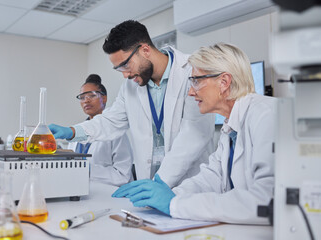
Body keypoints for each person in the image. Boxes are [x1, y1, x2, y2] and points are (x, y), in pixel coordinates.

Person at [112, 43, 276, 224]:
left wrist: (174, 204)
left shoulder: (266, 115)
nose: (190, 92)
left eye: (196, 81)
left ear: (224, 82)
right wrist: (170, 195)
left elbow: (266, 200)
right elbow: (211, 177)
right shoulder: (230, 128)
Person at [49, 20, 215, 188]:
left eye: (125, 65)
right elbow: (111, 121)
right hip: (149, 184)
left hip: (190, 186)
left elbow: (194, 136)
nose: (125, 75)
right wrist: (71, 132)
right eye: (119, 69)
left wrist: (160, 183)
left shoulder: (192, 72)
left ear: (145, 50)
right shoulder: (130, 86)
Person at [68, 74, 133, 186]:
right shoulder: (75, 131)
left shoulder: (116, 131)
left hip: (109, 196)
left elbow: (123, 175)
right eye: (82, 97)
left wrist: (88, 170)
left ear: (104, 98)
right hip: (79, 192)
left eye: (91, 96)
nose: (86, 101)